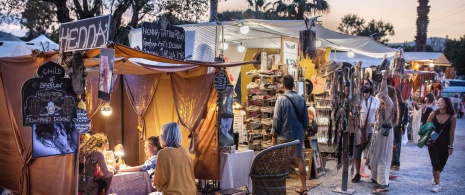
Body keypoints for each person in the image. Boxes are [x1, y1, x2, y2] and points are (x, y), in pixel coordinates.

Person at [271, 75, 309, 194]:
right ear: (294, 85)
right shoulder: (301, 99)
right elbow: (306, 119)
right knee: (299, 158)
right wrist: (305, 130)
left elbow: (276, 119)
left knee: (282, 161)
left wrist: (273, 134)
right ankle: (304, 187)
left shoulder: (281, 99)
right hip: (297, 134)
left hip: (283, 135)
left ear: (283, 86)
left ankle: (281, 188)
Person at [369, 71, 398, 193]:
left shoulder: (389, 103)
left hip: (384, 135)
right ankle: (378, 179)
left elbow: (383, 93)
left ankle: (382, 184)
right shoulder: (385, 106)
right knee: (378, 156)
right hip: (382, 133)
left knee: (382, 158)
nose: (380, 96)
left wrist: (384, 78)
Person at [151, 122, 196, 195]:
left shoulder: (162, 153)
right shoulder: (185, 150)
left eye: (161, 134)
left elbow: (160, 182)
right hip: (191, 191)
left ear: (164, 136)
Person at [426, 97, 456, 192]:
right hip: (433, 143)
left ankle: (436, 176)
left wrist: (451, 146)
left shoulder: (452, 117)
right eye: (437, 101)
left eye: (441, 101)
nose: (438, 103)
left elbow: (452, 132)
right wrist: (433, 135)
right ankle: (438, 184)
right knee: (436, 163)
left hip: (445, 144)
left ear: (446, 104)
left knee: (441, 164)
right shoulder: (433, 114)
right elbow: (427, 127)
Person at [352, 78, 380, 182]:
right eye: (363, 84)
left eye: (367, 84)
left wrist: (376, 123)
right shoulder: (358, 100)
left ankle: (374, 175)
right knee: (357, 153)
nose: (365, 85)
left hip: (372, 131)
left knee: (373, 154)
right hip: (359, 131)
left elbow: (378, 115)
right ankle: (357, 173)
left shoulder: (376, 101)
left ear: (371, 86)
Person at [391, 88, 409, 171]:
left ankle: (396, 163)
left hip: (398, 127)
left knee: (397, 145)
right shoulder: (390, 103)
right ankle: (391, 162)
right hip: (390, 126)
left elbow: (406, 118)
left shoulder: (403, 105)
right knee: (390, 145)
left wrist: (403, 124)